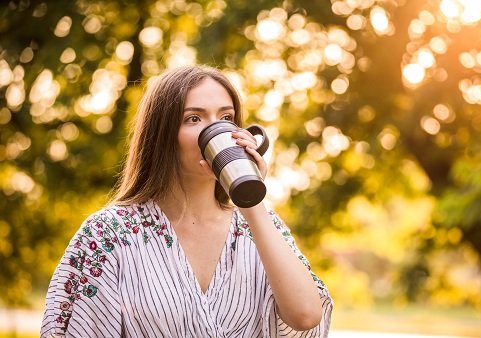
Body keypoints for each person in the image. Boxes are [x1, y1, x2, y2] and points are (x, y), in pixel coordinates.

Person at [41, 65, 333, 338]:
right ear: (163, 136)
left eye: (226, 118)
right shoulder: (109, 234)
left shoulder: (260, 227)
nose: (215, 130)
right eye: (194, 118)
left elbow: (306, 317)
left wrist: (250, 199)